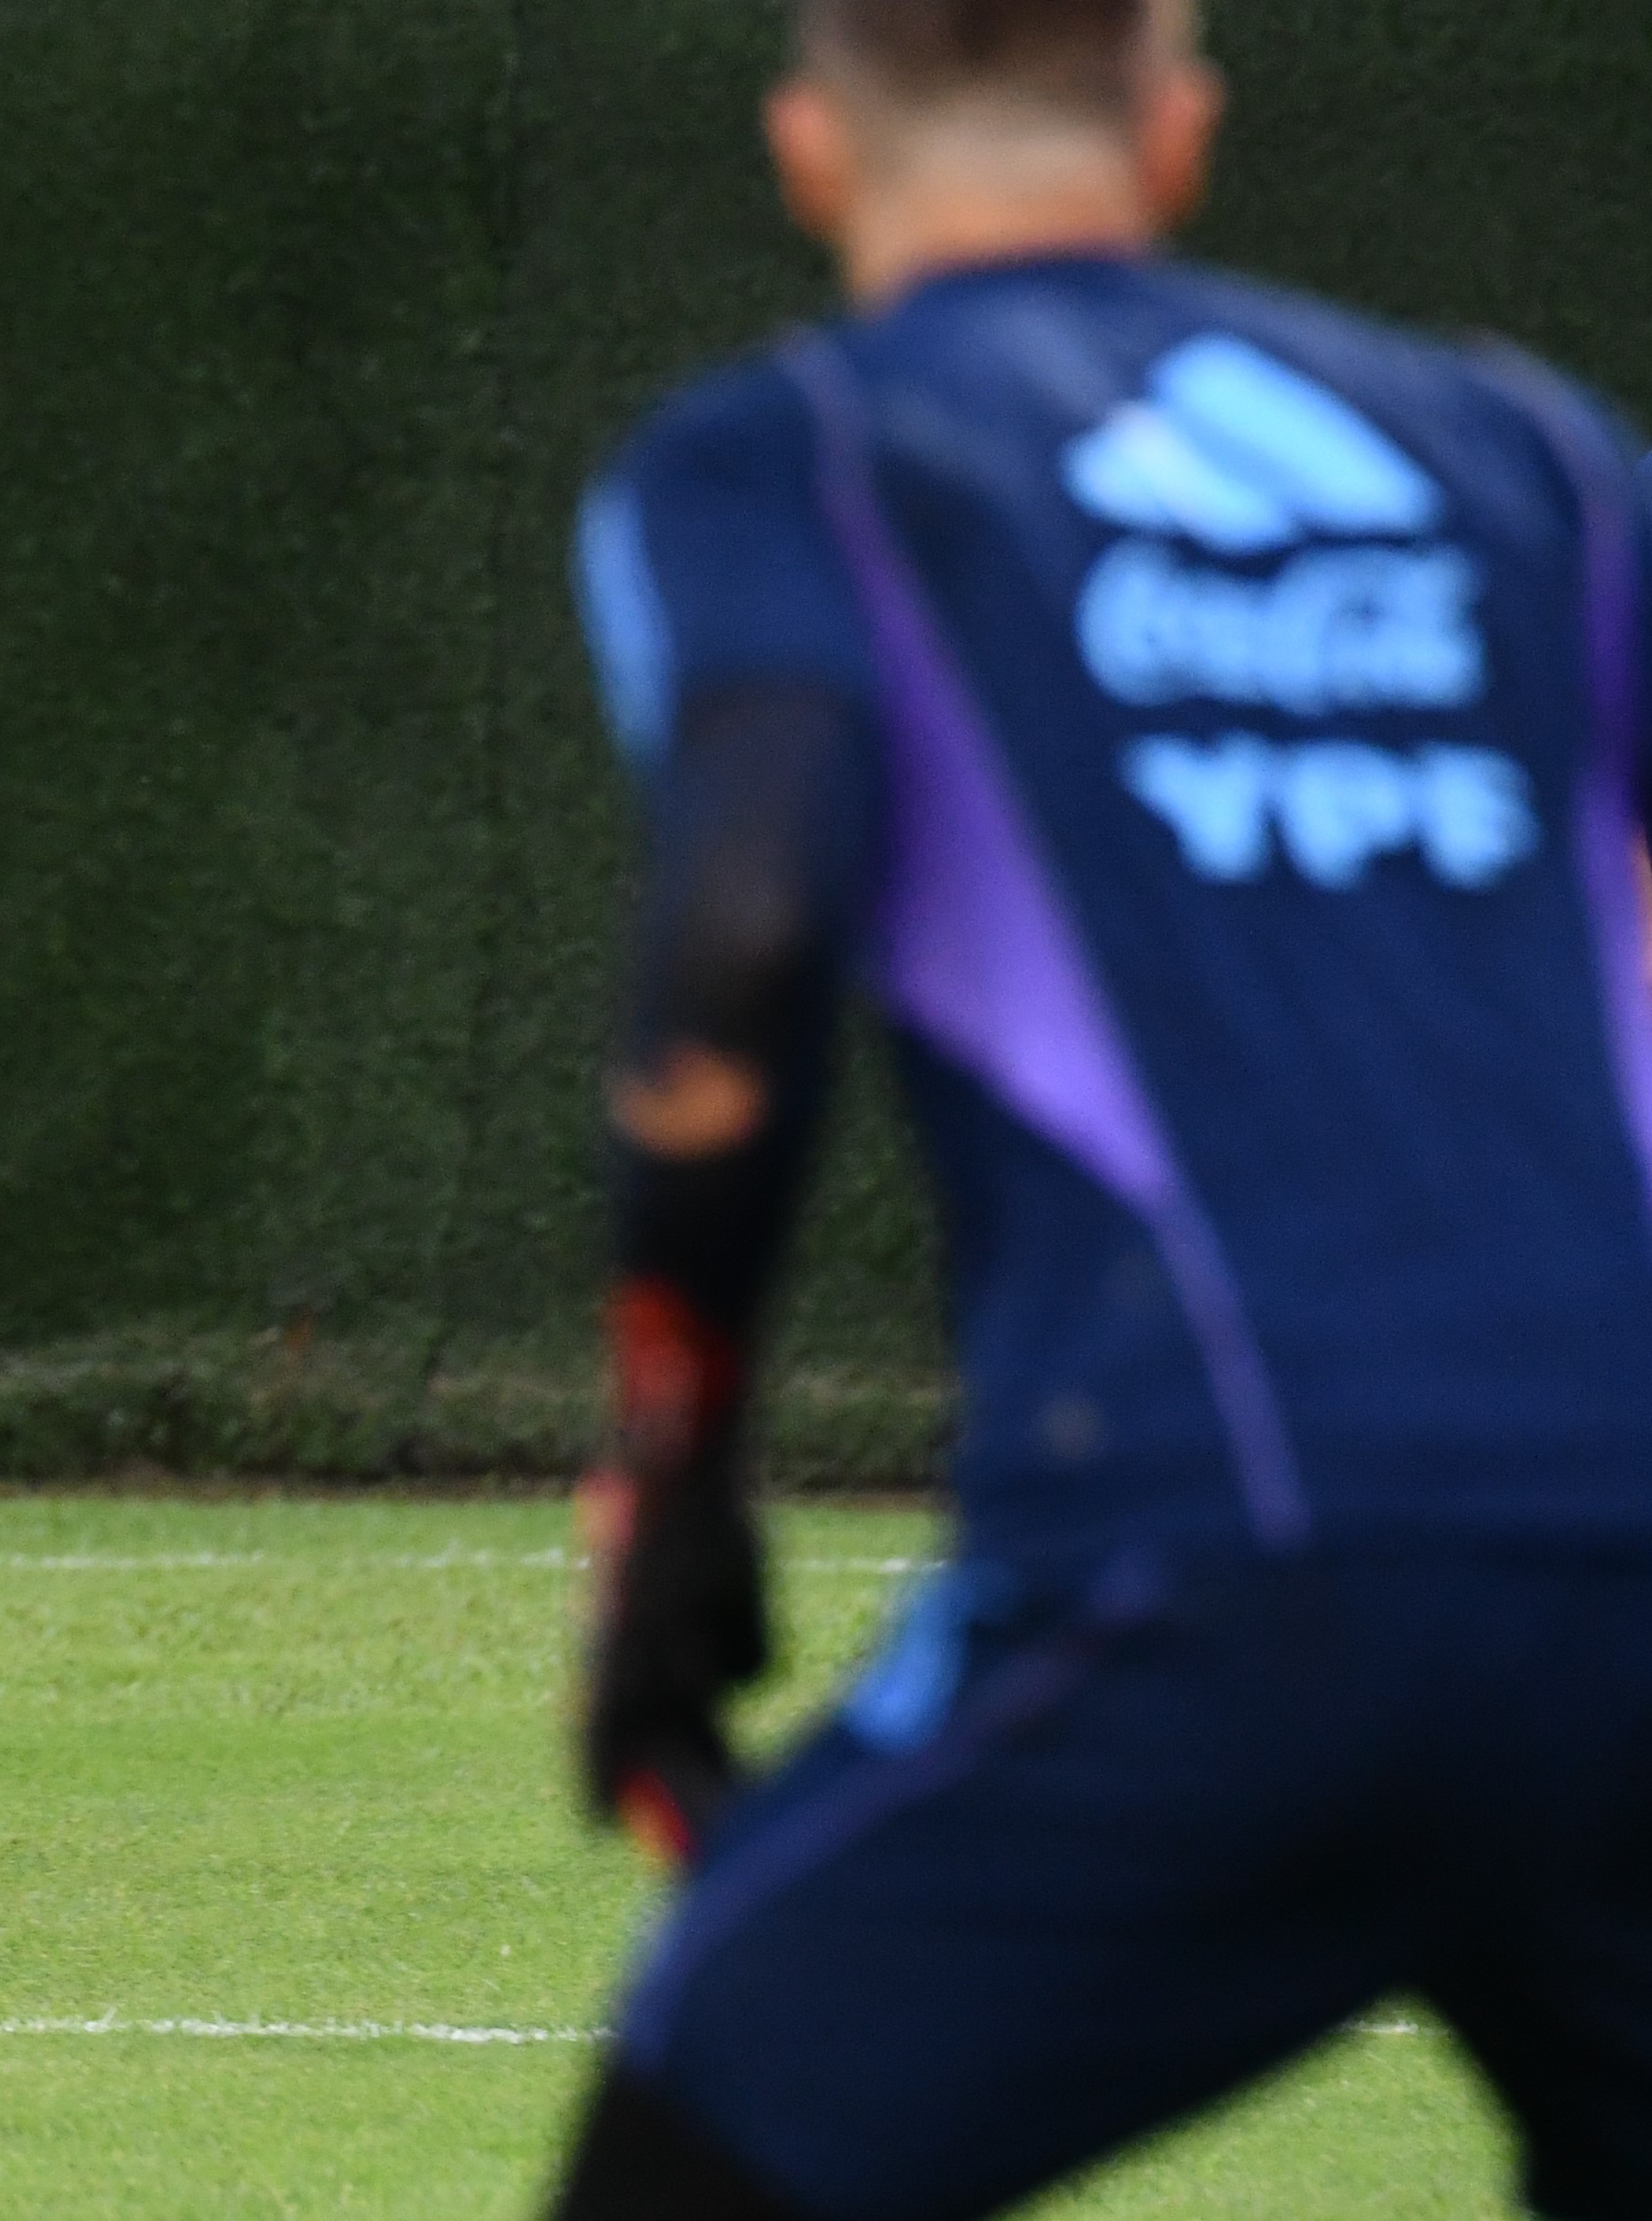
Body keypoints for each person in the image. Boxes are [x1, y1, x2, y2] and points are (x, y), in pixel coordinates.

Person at [553, 1, 1652, 2212]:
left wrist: (672, 1468)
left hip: (1213, 1575)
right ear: (1174, 129)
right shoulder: (1534, 461)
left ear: (804, 149)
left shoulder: (803, 460)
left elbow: (747, 928)